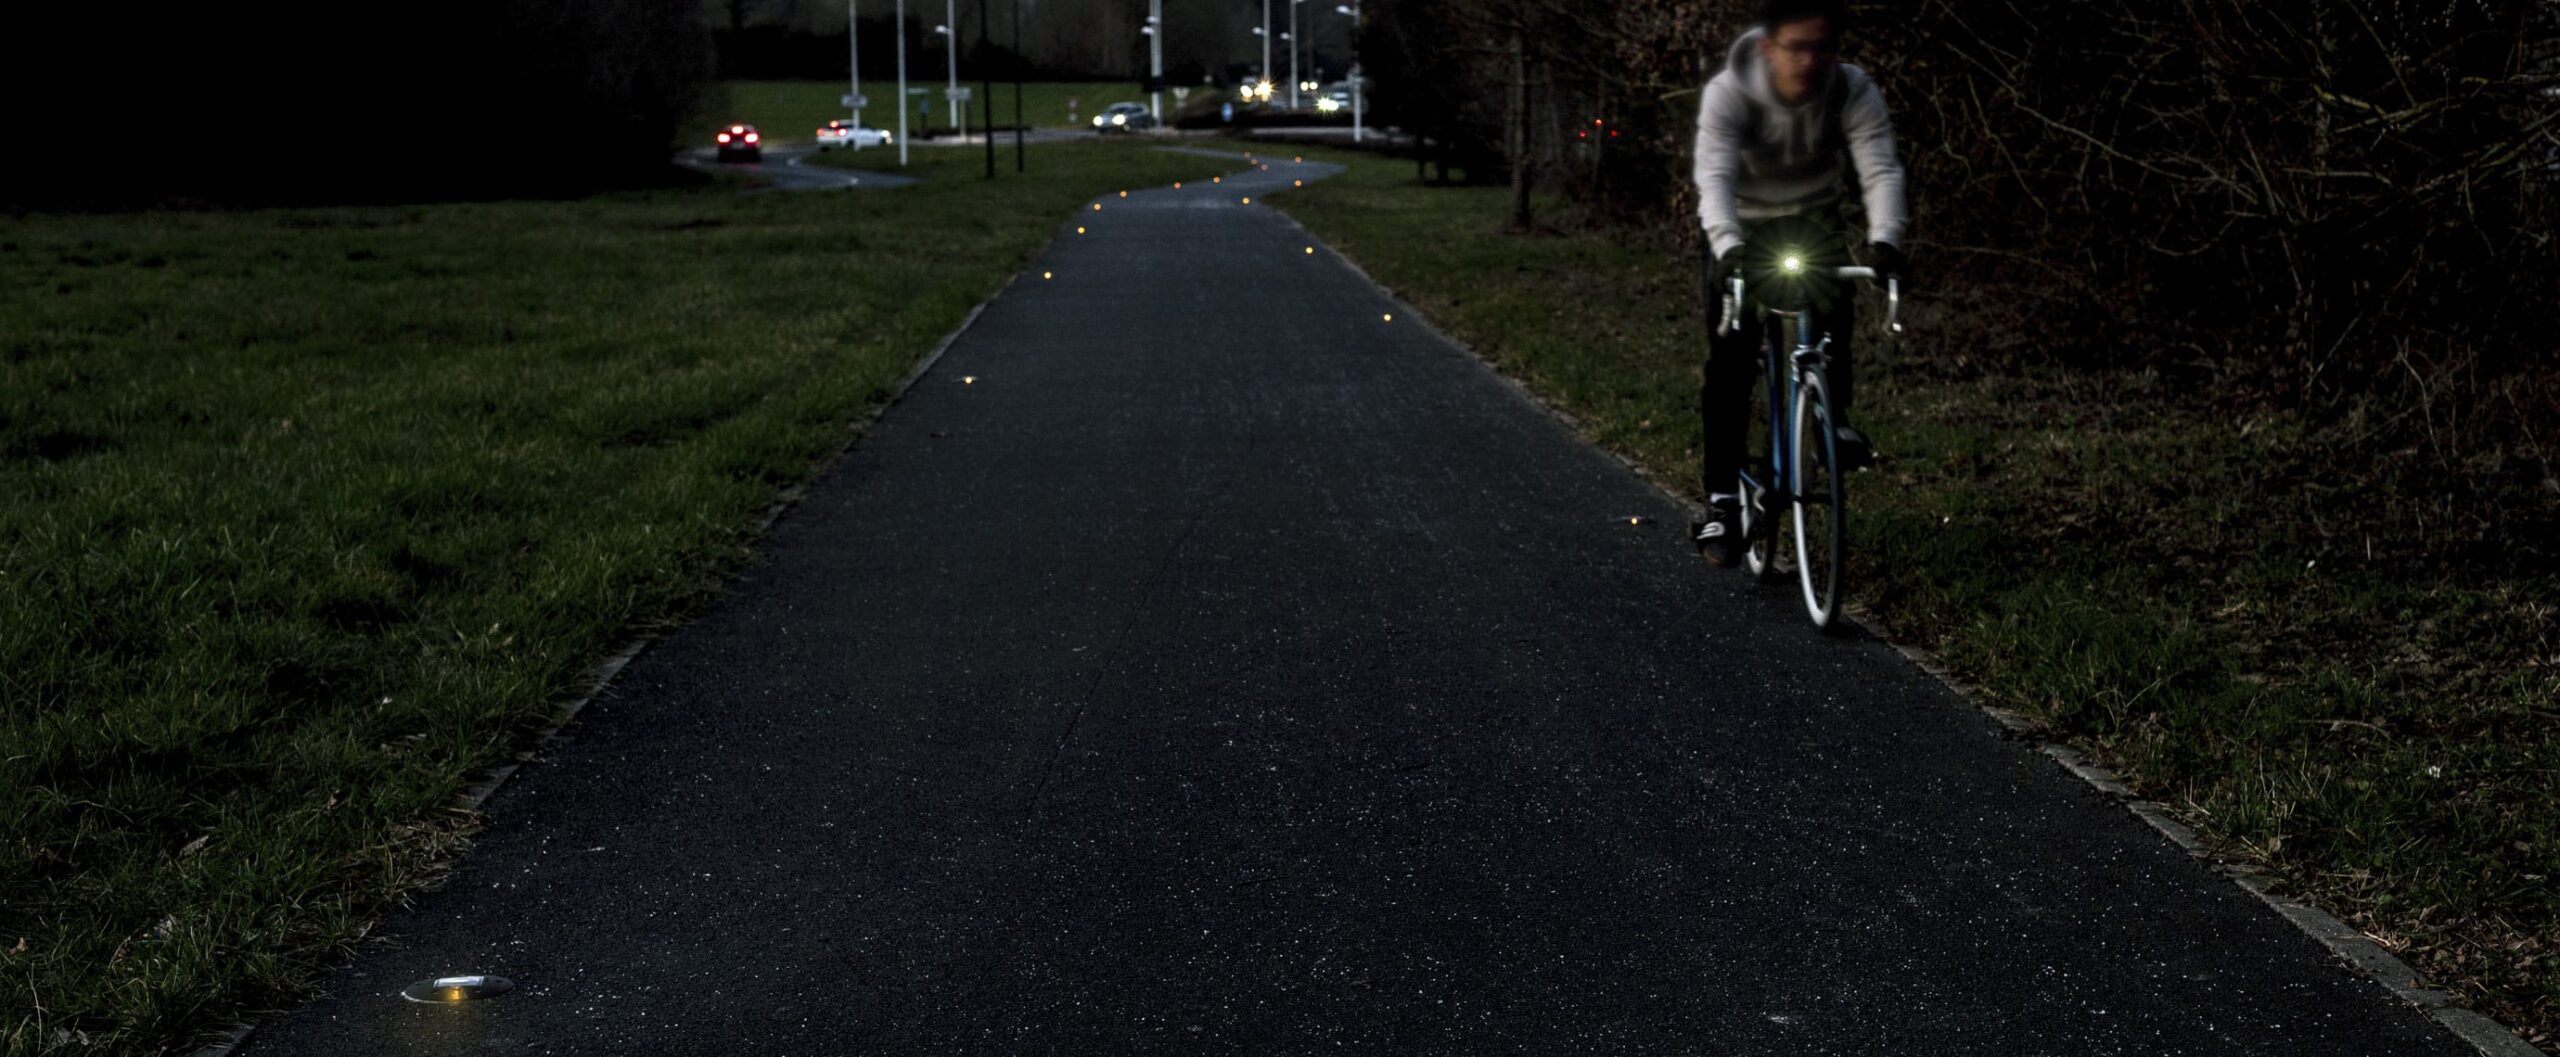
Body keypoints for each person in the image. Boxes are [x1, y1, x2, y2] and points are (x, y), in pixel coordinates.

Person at [1689, 0, 1910, 566]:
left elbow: (1879, 166)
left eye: (1822, 48)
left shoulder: (1851, 89)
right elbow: (1713, 173)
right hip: (1741, 228)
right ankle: (1720, 501)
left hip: (1814, 223)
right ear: (1768, 46)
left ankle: (1831, 422)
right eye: (1796, 47)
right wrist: (1729, 248)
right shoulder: (1730, 92)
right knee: (1732, 355)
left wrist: (1885, 241)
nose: (1809, 61)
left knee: (1833, 319)